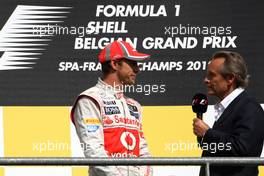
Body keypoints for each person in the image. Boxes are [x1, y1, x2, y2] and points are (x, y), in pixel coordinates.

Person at [71, 40, 153, 176]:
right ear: (114, 64)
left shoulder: (133, 105)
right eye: (133, 63)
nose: (137, 69)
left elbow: (143, 150)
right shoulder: (90, 99)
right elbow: (93, 149)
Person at [193, 51, 264, 176]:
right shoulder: (230, 106)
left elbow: (242, 148)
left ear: (230, 78)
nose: (206, 80)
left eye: (212, 75)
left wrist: (208, 133)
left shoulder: (249, 107)